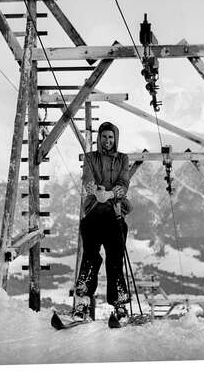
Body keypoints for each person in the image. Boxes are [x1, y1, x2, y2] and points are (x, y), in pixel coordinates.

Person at [73, 121, 132, 322]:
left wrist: (110, 194)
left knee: (115, 259)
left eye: (110, 137)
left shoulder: (123, 159)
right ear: (99, 138)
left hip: (115, 212)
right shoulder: (90, 158)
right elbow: (87, 179)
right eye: (104, 137)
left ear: (115, 139)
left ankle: (120, 305)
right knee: (90, 256)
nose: (107, 140)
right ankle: (82, 303)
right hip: (93, 213)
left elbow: (124, 183)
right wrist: (96, 191)